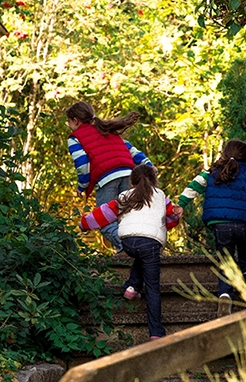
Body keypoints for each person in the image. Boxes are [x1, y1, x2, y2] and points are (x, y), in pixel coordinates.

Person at [176, 139, 246, 317]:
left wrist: (181, 204)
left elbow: (193, 186)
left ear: (225, 153)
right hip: (245, 225)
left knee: (225, 261)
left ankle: (225, 294)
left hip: (220, 225)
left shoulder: (212, 172)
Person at [85, 164, 172, 339]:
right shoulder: (161, 196)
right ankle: (156, 332)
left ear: (131, 182)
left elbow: (103, 214)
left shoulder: (124, 196)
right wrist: (174, 218)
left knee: (142, 255)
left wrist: (84, 224)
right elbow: (171, 218)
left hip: (128, 242)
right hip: (151, 243)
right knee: (153, 288)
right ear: (154, 181)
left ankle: (132, 287)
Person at [66, 101, 151, 252]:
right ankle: (133, 248)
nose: (68, 125)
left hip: (106, 178)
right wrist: (147, 165)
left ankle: (127, 248)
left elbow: (82, 165)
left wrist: (82, 186)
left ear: (75, 121)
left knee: (103, 220)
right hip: (128, 175)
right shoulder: (107, 130)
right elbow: (131, 150)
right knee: (125, 216)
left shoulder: (75, 138)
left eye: (68, 122)